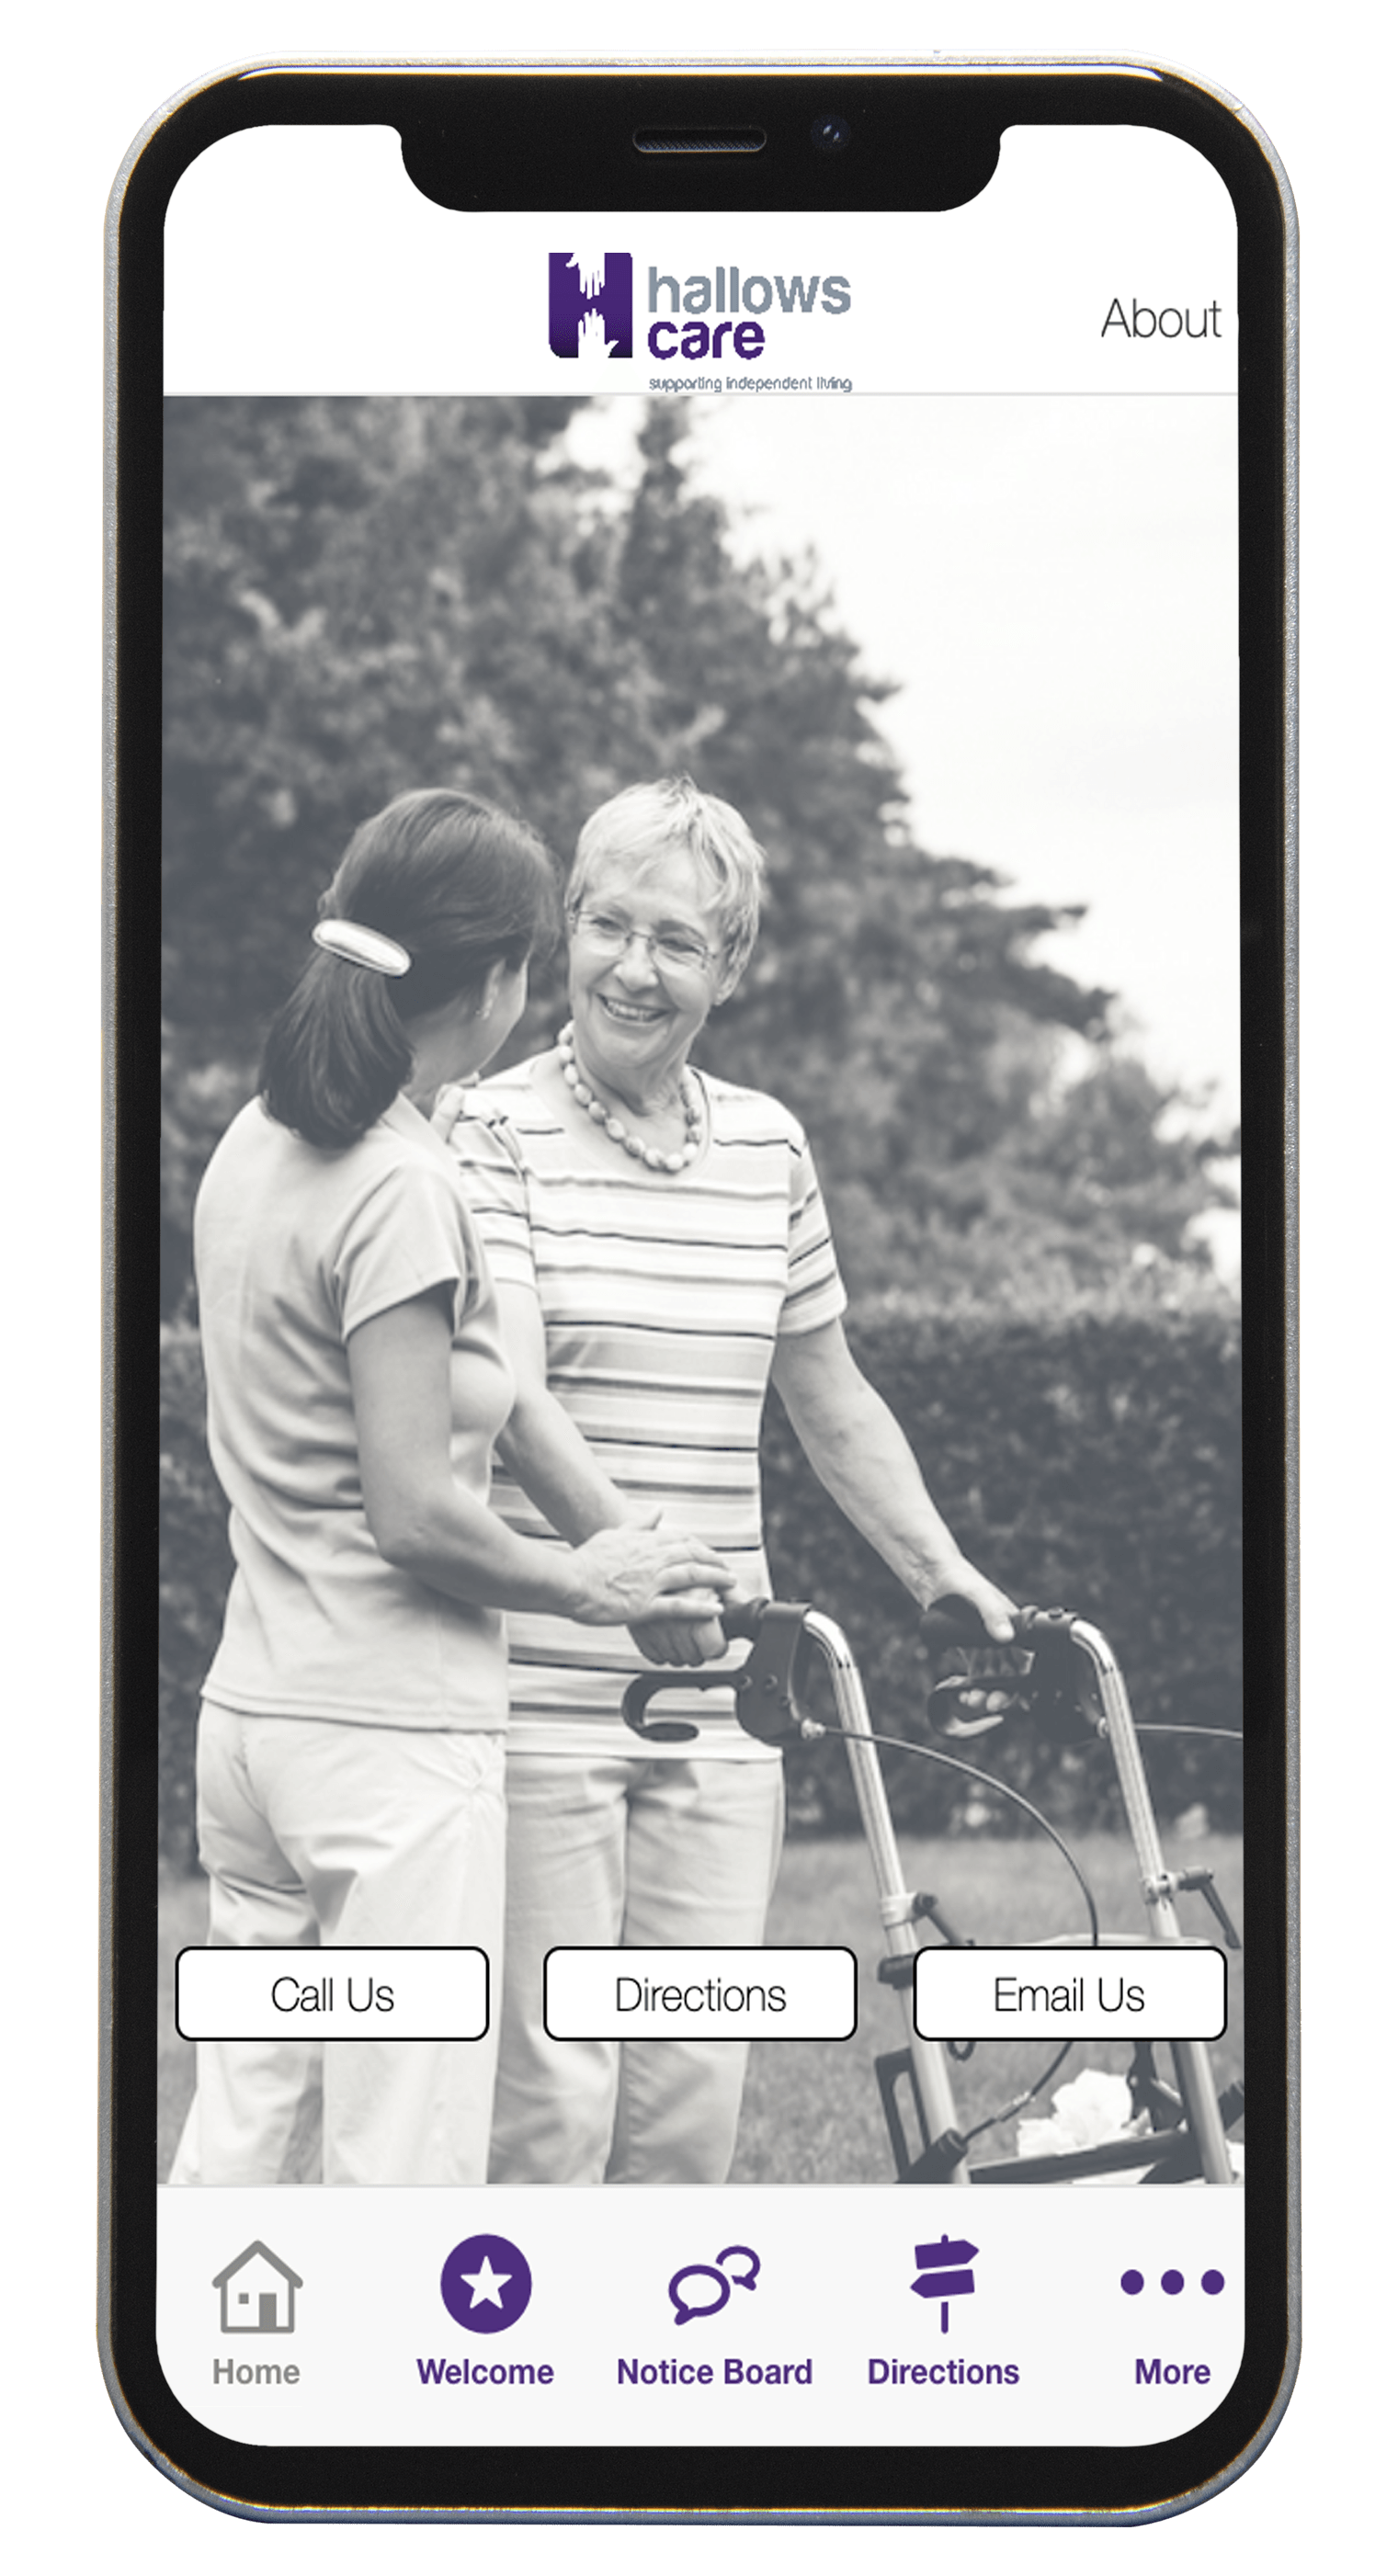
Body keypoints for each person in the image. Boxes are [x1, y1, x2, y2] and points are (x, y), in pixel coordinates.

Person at [443, 775, 1016, 2186]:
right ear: (568, 927)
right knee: (548, 2110)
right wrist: (635, 1571)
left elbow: (830, 1394)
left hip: (727, 1695)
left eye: (678, 941)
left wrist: (941, 1572)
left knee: (690, 2109)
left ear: (732, 964)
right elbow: (510, 1395)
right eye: (609, 926)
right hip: (541, 1692)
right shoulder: (485, 1129)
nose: (635, 968)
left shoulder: (768, 1147)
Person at [168, 789, 732, 2188]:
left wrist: (632, 1553)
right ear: (492, 986)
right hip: (390, 1749)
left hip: (255, 1723)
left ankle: (190, 2331)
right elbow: (415, 1507)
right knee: (405, 2162)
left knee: (237, 2140)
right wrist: (584, 1582)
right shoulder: (401, 1188)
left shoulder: (256, 1143)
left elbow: (489, 1404)